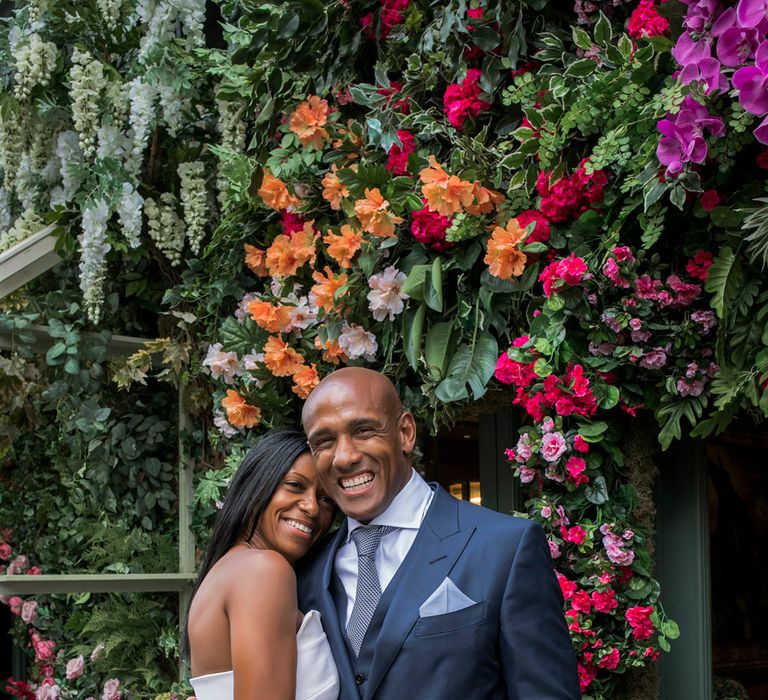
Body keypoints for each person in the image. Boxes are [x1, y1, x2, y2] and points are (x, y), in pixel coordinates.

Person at [297, 367, 580, 699]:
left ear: (405, 432)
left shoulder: (506, 547)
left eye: (363, 430)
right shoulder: (307, 571)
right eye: (324, 441)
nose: (345, 457)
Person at [184, 429, 341, 700]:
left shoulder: (233, 569)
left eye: (326, 498)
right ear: (257, 485)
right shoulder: (264, 571)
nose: (312, 508)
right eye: (295, 485)